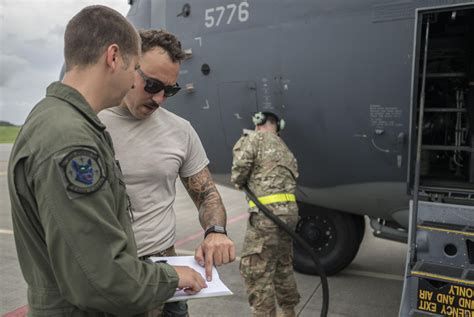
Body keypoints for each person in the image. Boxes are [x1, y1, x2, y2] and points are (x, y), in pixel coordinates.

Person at [7, 6, 206, 317]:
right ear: (114, 57)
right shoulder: (71, 139)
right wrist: (171, 277)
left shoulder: (54, 118)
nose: (134, 84)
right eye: (136, 69)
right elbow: (100, 280)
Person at [98, 29, 235, 316]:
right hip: (110, 273)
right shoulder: (91, 123)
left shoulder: (180, 131)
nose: (160, 98)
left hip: (165, 272)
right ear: (127, 65)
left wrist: (215, 231)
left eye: (170, 90)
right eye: (151, 85)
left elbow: (208, 194)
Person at [231, 111, 301, 317]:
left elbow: (240, 168)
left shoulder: (254, 138)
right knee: (282, 264)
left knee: (256, 269)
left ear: (259, 122)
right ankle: (289, 311)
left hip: (266, 216)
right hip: (289, 216)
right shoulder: (285, 148)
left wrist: (238, 180)